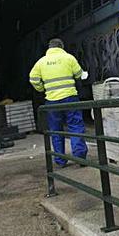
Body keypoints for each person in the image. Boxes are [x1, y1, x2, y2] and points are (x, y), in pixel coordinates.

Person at [29, 38, 88, 167]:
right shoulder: (69, 58)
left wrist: (41, 88)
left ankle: (60, 161)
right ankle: (80, 157)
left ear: (49, 48)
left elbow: (33, 79)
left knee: (56, 130)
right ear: (61, 47)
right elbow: (79, 74)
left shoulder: (41, 62)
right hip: (70, 98)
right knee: (75, 126)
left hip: (52, 100)